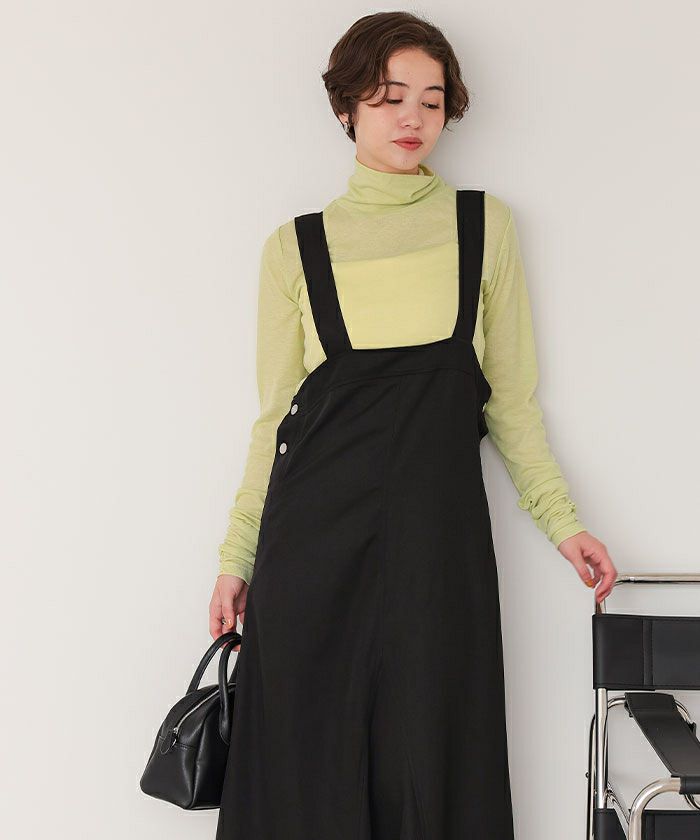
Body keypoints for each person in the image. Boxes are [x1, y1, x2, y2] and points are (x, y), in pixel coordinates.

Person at [211, 11, 617, 839]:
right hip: (311, 549)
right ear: (346, 107)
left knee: (435, 754)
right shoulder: (295, 248)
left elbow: (511, 401)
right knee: (307, 769)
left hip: (438, 548)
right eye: (390, 97)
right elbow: (274, 422)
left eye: (432, 101)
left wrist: (563, 523)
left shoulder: (483, 226)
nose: (413, 119)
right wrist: (236, 557)